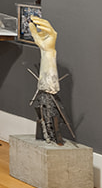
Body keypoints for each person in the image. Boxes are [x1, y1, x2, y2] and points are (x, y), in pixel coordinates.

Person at [26, 16, 73, 144]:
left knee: (50, 110)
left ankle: (52, 134)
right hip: (46, 81)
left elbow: (48, 52)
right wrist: (46, 50)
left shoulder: (49, 51)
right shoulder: (46, 51)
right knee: (45, 108)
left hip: (49, 83)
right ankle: (47, 134)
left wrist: (49, 50)